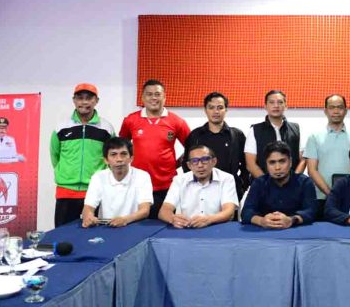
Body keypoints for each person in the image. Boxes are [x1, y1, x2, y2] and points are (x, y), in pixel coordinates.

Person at [119, 79, 191, 219]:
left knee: (165, 225)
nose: (153, 98)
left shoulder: (177, 121)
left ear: (164, 97)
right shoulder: (130, 120)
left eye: (157, 94)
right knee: (137, 224)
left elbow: (192, 149)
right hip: (137, 184)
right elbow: (120, 147)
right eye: (149, 94)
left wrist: (177, 163)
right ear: (142, 97)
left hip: (167, 185)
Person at [51, 83, 115, 227]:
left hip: (94, 190)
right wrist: (66, 174)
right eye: (80, 98)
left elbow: (112, 156)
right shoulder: (61, 127)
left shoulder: (106, 128)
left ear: (96, 101)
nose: (84, 102)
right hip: (66, 191)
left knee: (92, 234)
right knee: (63, 233)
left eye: (89, 98)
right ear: (74, 100)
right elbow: (55, 156)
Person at [304, 94, 350, 212]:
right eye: (332, 107)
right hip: (321, 198)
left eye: (340, 107)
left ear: (346, 111)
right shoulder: (314, 137)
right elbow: (312, 170)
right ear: (325, 111)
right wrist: (331, 194)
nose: (336, 111)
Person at [183, 92, 248, 199]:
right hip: (200, 192)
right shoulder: (195, 135)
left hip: (230, 192)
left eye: (220, 107)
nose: (216, 111)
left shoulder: (237, 135)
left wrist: (241, 187)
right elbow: (187, 163)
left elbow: (246, 165)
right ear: (205, 110)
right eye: (211, 107)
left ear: (226, 110)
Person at [158, 144, 238, 229]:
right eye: (194, 161)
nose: (200, 165)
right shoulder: (179, 180)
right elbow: (164, 211)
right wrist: (173, 219)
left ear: (214, 161)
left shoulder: (226, 178)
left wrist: (208, 220)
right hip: (187, 228)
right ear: (189, 165)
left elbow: (229, 212)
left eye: (205, 160)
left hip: (216, 227)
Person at [241, 142, 317, 228]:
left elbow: (311, 211)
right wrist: (261, 221)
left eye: (282, 161)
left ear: (290, 162)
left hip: (296, 232)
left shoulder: (305, 182)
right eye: (272, 162)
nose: (277, 167)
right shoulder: (259, 183)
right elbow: (246, 212)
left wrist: (291, 220)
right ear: (266, 164)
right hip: (265, 232)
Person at [81, 137, 153, 228]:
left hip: (133, 226)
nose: (119, 159)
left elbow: (145, 210)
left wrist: (125, 220)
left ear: (131, 158)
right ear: (106, 160)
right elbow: (88, 207)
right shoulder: (98, 177)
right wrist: (89, 216)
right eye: (113, 154)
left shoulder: (142, 176)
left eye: (123, 154)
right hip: (106, 227)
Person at [244, 90, 305, 179]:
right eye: (272, 102)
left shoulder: (296, 129)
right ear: (265, 106)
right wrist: (267, 183)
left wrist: (293, 182)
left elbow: (303, 160)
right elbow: (250, 164)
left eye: (280, 102)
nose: (276, 105)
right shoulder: (254, 130)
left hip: (292, 184)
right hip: (263, 184)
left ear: (286, 106)